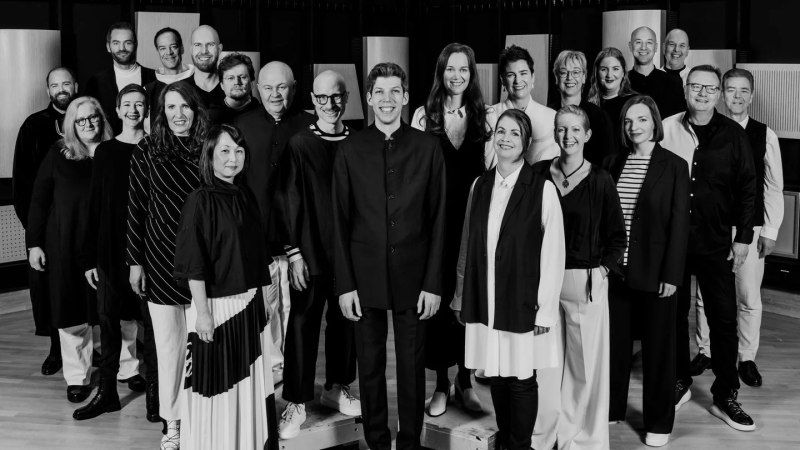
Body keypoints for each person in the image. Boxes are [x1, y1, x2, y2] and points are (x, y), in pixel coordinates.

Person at [332, 62, 446, 450]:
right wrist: (345, 285)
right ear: (368, 96)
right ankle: (378, 442)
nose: (386, 99)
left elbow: (439, 220)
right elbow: (339, 222)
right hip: (363, 279)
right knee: (370, 368)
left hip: (415, 279)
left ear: (406, 97)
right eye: (379, 92)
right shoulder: (349, 150)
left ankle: (410, 443)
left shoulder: (429, 148)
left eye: (394, 91)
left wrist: (433, 283)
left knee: (413, 369)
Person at [454, 108, 565, 450]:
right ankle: (506, 439)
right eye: (500, 131)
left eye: (514, 133)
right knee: (498, 374)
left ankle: (521, 444)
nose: (505, 138)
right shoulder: (481, 185)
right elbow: (467, 244)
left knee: (521, 377)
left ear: (526, 142)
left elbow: (553, 252)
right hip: (486, 296)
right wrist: (461, 295)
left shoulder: (542, 189)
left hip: (522, 299)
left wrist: (545, 311)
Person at [661, 65, 757, 432]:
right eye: (695, 86)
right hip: (675, 241)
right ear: (685, 89)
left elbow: (749, 187)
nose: (702, 93)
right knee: (673, 314)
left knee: (723, 318)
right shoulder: (667, 128)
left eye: (710, 88)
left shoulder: (734, 135)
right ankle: (679, 381)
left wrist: (744, 236)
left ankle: (725, 394)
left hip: (718, 242)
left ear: (718, 94)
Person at [174, 124, 276, 450]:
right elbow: (194, 263)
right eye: (225, 151)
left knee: (247, 386)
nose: (233, 159)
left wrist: (264, 298)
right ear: (210, 155)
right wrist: (202, 313)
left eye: (239, 151)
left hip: (248, 305)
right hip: (216, 311)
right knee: (217, 389)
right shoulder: (199, 200)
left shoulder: (245, 195)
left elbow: (255, 255)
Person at [531, 105, 626, 450]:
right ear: (554, 133)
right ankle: (544, 435)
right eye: (561, 129)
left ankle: (577, 438)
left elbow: (618, 237)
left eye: (575, 130)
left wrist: (601, 271)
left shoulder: (601, 179)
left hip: (584, 281)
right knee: (544, 365)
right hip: (543, 282)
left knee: (582, 367)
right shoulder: (539, 173)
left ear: (587, 135)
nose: (567, 136)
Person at [276, 70, 360, 439]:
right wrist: (294, 253)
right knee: (302, 324)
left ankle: (336, 385)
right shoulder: (299, 143)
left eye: (337, 97)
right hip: (309, 253)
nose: (330, 105)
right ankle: (296, 400)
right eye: (322, 98)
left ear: (346, 99)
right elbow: (288, 199)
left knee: (345, 324)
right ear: (312, 100)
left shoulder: (357, 142)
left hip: (348, 255)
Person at [604, 95, 690, 447]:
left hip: (657, 275)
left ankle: (658, 422)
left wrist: (672, 275)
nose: (634, 127)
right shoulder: (613, 162)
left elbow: (679, 225)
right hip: (617, 273)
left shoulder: (673, 165)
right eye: (628, 121)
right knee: (614, 349)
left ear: (654, 123)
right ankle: (611, 410)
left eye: (641, 120)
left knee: (658, 351)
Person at [127, 82, 209, 449]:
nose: (179, 114)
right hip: (159, 258)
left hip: (204, 260)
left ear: (196, 109)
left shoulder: (209, 147)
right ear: (162, 112)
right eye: (171, 107)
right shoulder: (147, 149)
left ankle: (204, 416)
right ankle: (172, 423)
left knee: (204, 345)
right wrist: (135, 262)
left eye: (185, 107)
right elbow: (136, 209)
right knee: (169, 347)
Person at [411, 42, 490, 417]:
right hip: (435, 227)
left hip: (472, 225)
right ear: (440, 72)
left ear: (472, 74)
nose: (457, 76)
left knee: (469, 303)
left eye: (464, 69)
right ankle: (441, 383)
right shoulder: (423, 117)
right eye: (450, 68)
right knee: (438, 304)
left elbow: (491, 175)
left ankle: (466, 379)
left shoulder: (483, 117)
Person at [692, 68, 784, 388]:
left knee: (747, 295)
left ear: (752, 95)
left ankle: (746, 357)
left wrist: (769, 232)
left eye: (744, 91)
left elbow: (772, 187)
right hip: (714, 227)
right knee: (705, 296)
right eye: (731, 90)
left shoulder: (764, 134)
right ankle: (705, 350)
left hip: (750, 228)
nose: (737, 96)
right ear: (720, 93)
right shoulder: (707, 129)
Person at [73, 85, 156, 421]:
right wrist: (89, 258)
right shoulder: (105, 151)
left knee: (150, 327)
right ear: (118, 111)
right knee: (107, 325)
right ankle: (107, 392)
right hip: (109, 252)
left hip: (148, 255)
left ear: (147, 110)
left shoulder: (154, 148)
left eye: (140, 104)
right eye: (127, 104)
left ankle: (156, 396)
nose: (134, 109)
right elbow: (95, 204)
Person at [27, 96, 113, 403]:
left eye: (94, 118)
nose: (89, 124)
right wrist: (34, 243)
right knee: (72, 312)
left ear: (102, 120)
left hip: (104, 245)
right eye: (81, 120)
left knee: (113, 310)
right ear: (71, 124)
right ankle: (78, 377)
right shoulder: (58, 153)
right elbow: (39, 200)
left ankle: (125, 369)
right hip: (64, 245)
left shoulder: (112, 152)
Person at [235, 61, 315, 384]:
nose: (275, 94)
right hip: (258, 239)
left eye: (282, 87)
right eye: (267, 88)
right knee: (266, 309)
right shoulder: (241, 126)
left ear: (293, 88)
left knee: (298, 310)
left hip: (300, 241)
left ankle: (297, 371)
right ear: (257, 89)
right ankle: (273, 368)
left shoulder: (309, 126)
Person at [12, 66, 78, 376]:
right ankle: (56, 349)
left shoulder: (88, 119)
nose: (62, 88)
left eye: (67, 83)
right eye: (56, 85)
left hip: (81, 221)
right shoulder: (33, 126)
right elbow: (22, 183)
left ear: (75, 85)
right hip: (48, 225)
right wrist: (33, 233)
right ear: (48, 90)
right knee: (52, 290)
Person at [487, 45, 558, 165]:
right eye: (511, 75)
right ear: (503, 80)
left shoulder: (552, 117)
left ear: (532, 77)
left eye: (523, 73)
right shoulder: (490, 116)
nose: (518, 80)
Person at [85, 22, 156, 134]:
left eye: (127, 43)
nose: (122, 48)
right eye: (116, 43)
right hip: (110, 148)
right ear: (108, 47)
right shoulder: (96, 83)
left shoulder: (154, 77)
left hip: (149, 147)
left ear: (135, 45)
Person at [548, 50, 614, 164]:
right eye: (563, 72)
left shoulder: (599, 116)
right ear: (556, 77)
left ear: (584, 77)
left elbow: (608, 160)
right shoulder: (546, 113)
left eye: (576, 72)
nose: (569, 77)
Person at [627, 26, 685, 119]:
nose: (643, 47)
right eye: (638, 42)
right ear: (630, 46)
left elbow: (679, 123)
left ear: (656, 47)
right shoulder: (622, 81)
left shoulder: (673, 83)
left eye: (649, 42)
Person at [587, 47, 638, 151]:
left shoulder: (635, 103)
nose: (609, 75)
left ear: (623, 72)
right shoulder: (589, 105)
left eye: (615, 69)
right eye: (604, 69)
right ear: (597, 72)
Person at [144, 27, 195, 126]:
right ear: (158, 51)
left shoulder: (197, 81)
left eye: (173, 46)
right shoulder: (149, 90)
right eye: (162, 48)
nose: (169, 52)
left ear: (181, 48)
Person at [210, 53, 260, 124]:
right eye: (230, 78)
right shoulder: (210, 117)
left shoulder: (264, 114)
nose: (237, 82)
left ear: (252, 83)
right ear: (222, 85)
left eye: (243, 77)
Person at [188, 25, 225, 109]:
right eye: (197, 45)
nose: (204, 51)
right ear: (191, 50)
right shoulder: (179, 90)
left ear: (219, 49)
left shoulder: (233, 87)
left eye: (210, 44)